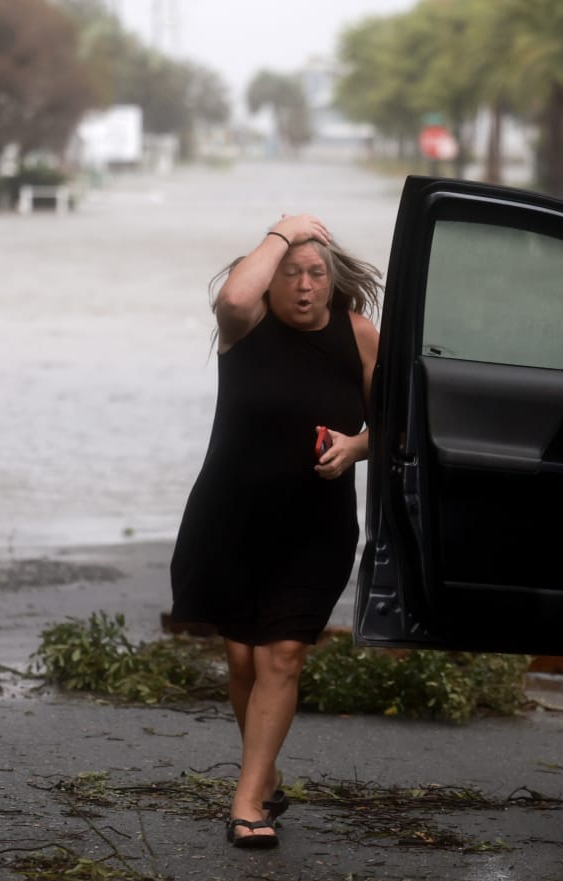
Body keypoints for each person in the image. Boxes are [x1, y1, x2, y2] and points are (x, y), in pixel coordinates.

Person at [169, 213, 381, 849]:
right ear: (271, 280)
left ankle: (247, 801)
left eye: (317, 274)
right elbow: (233, 294)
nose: (305, 286)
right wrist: (284, 230)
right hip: (230, 517)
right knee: (242, 659)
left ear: (333, 279)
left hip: (315, 527)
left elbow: (398, 422)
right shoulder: (246, 326)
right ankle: (266, 773)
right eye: (291, 274)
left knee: (281, 655)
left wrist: (357, 446)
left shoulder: (361, 335)